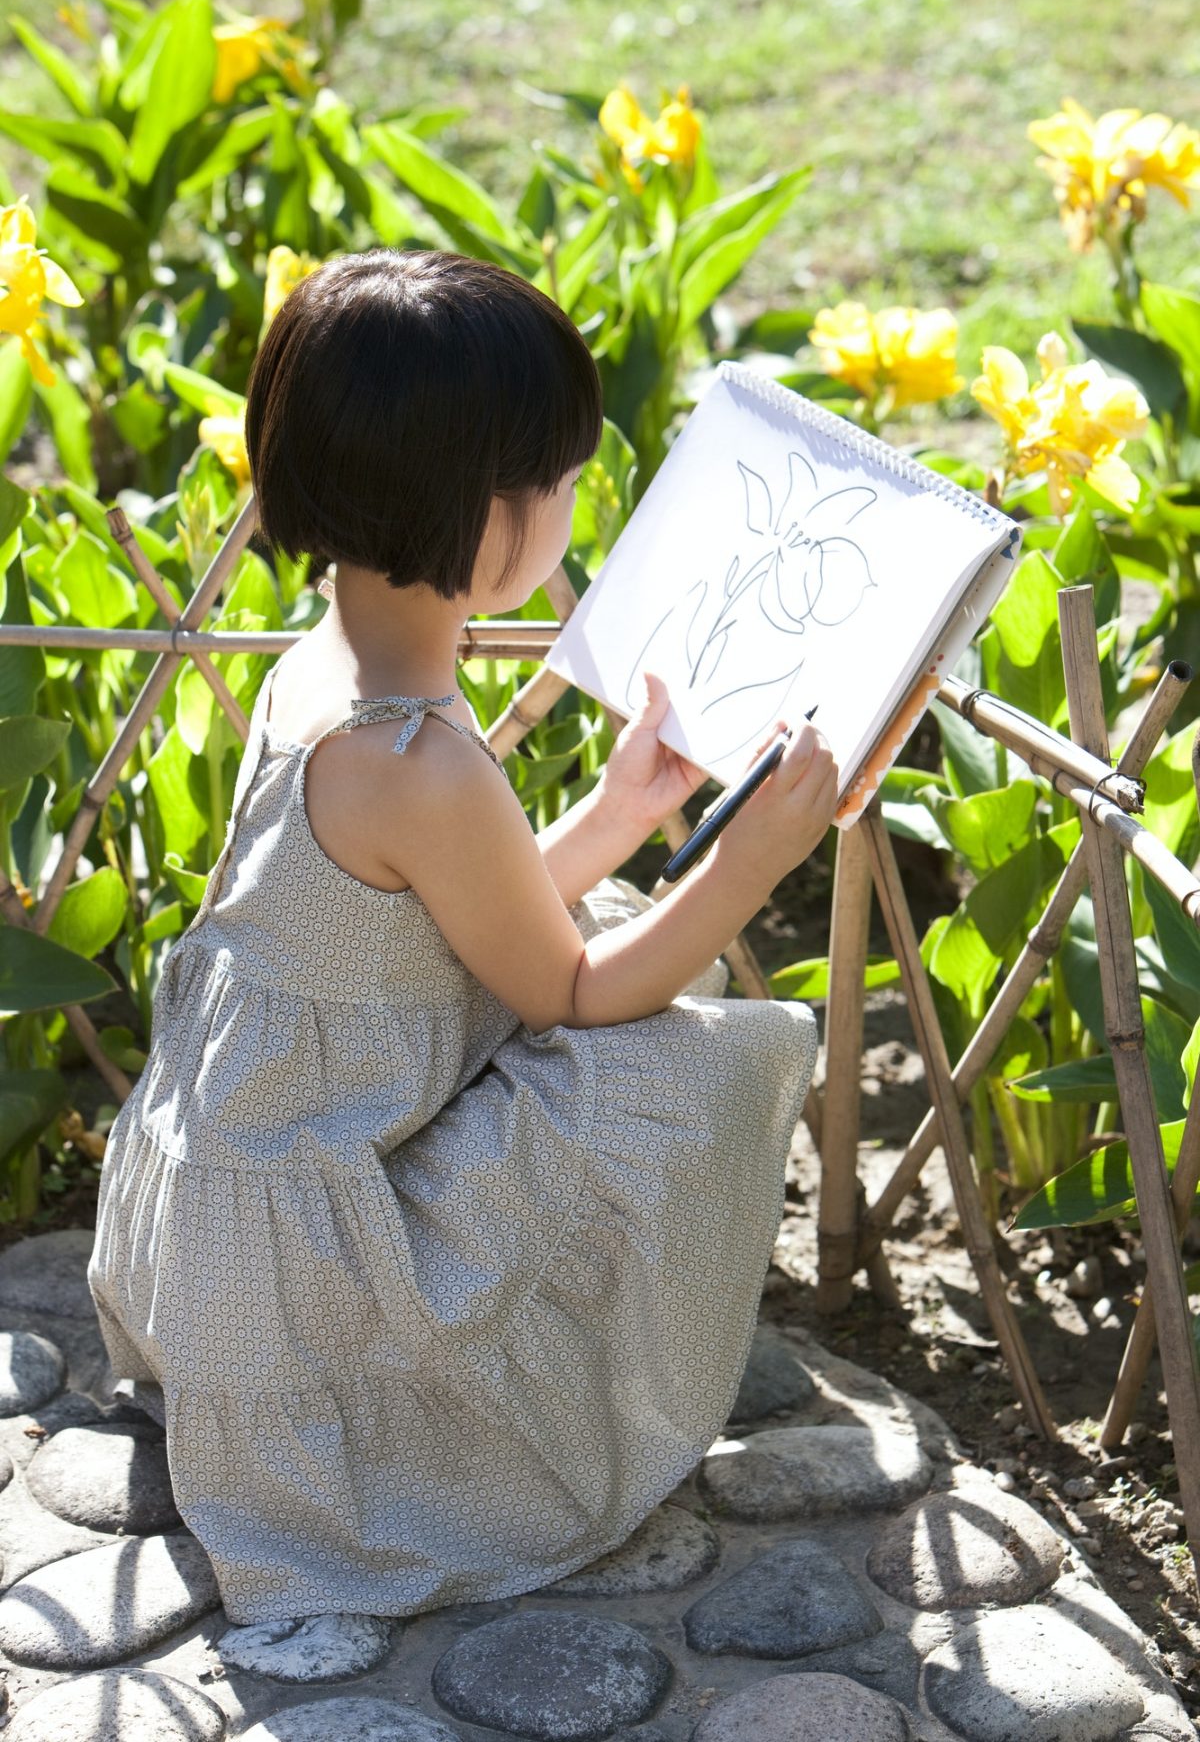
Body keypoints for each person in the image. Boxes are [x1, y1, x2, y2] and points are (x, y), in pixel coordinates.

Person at [87, 248, 837, 1628]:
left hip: (229, 1213)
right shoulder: (422, 757)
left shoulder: (325, 675)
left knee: (609, 905)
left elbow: (433, 929)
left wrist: (614, 816)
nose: (571, 502)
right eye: (556, 481)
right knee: (692, 1065)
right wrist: (751, 860)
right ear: (489, 529)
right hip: (312, 1283)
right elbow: (566, 987)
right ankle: (481, 1428)